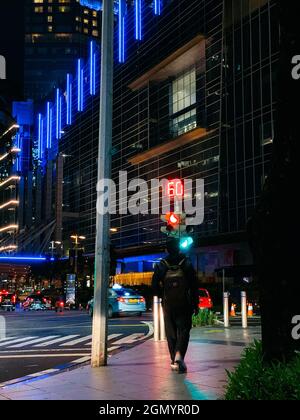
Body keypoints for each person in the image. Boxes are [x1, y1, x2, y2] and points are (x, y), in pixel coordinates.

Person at [152, 237, 199, 373]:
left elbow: (154, 285)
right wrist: (195, 304)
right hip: (185, 303)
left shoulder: (162, 264)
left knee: (171, 332)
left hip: (168, 305)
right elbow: (194, 284)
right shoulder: (186, 262)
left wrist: (162, 296)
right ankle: (179, 356)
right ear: (179, 248)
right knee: (184, 330)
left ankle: (173, 359)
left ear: (167, 249)